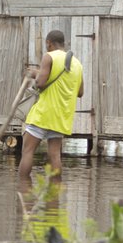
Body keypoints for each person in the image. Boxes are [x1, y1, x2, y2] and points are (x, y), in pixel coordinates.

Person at [18, 30, 84, 181]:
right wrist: (41, 73)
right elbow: (80, 92)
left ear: (49, 43)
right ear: (63, 43)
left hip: (44, 113)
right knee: (55, 155)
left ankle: (22, 187)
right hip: (62, 116)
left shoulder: (49, 57)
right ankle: (54, 195)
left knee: (27, 151)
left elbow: (41, 84)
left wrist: (36, 74)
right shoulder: (77, 64)